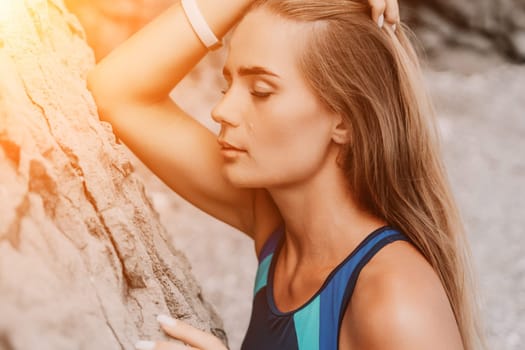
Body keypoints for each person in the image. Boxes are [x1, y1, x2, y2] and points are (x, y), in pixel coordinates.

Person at [87, 0, 482, 349]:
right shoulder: (276, 223)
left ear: (344, 119)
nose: (222, 111)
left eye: (260, 91)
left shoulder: (395, 298)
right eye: (228, 84)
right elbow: (118, 92)